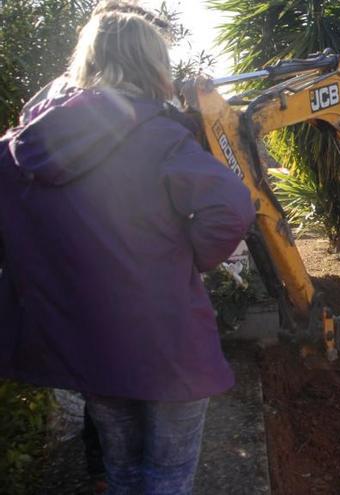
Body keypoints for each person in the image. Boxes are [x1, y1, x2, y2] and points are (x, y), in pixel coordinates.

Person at [0, 2, 256, 493]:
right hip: (167, 340)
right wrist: (193, 257)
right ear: (151, 64)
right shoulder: (159, 137)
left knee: (121, 470)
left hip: (90, 344)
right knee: (168, 473)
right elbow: (232, 208)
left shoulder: (22, 150)